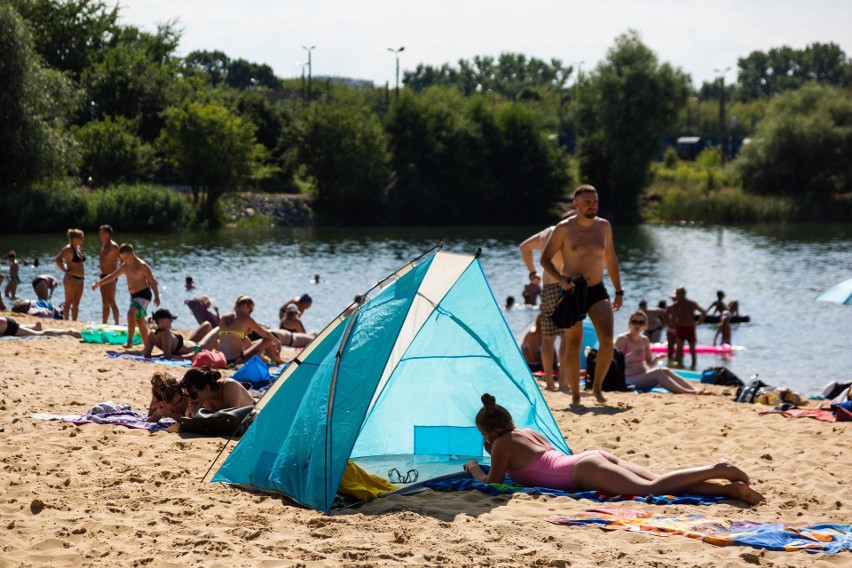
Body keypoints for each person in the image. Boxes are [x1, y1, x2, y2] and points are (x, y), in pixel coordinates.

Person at [462, 393, 763, 505]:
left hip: (581, 471)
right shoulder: (526, 431)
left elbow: (495, 482)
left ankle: (718, 468)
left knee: (652, 488)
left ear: (489, 432)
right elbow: (537, 463)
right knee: (662, 483)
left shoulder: (501, 444)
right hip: (588, 458)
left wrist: (476, 466)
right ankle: (729, 490)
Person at [540, 186, 624, 405]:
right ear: (575, 204)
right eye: (587, 202)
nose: (592, 206)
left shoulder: (604, 226)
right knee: (573, 342)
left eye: (595, 202)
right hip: (572, 289)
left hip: (597, 288)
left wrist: (618, 291)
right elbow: (545, 259)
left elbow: (611, 260)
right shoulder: (563, 228)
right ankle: (576, 394)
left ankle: (596, 388)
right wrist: (561, 280)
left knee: (607, 339)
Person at [520, 225, 568, 392]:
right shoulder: (571, 229)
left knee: (548, 338)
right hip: (563, 286)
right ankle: (563, 383)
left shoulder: (546, 232)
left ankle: (549, 383)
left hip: (547, 288)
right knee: (566, 338)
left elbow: (524, 248)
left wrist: (533, 273)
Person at [614, 311, 706, 394]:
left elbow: (649, 364)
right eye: (634, 322)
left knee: (665, 370)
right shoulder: (623, 339)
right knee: (658, 372)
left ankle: (693, 389)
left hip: (644, 376)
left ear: (645, 326)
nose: (637, 325)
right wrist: (631, 356)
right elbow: (615, 365)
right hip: (628, 378)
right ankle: (688, 392)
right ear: (630, 323)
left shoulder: (644, 340)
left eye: (641, 323)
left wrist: (657, 358)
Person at [91, 243, 160, 348]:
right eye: (122, 259)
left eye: (126, 258)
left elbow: (152, 282)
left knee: (130, 313)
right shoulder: (125, 266)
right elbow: (112, 276)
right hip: (134, 295)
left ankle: (129, 342)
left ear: (132, 253)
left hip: (144, 294)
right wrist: (98, 283)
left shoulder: (142, 265)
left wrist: (157, 296)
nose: (125, 260)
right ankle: (147, 346)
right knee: (140, 322)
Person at [212, 295, 283, 365]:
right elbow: (265, 334)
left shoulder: (223, 317)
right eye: (250, 310)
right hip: (236, 360)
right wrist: (277, 342)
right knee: (268, 340)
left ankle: (270, 361)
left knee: (256, 342)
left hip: (222, 359)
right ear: (245, 305)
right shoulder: (245, 318)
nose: (250, 313)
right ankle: (278, 361)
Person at [180, 367, 255, 417]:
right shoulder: (205, 397)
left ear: (207, 387)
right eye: (187, 396)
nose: (190, 399)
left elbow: (230, 417)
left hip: (257, 417)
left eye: (193, 395)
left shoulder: (230, 386)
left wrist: (200, 414)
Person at [143, 308, 212, 359]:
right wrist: (189, 356)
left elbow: (147, 355)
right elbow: (167, 356)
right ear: (162, 320)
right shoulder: (165, 334)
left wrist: (157, 356)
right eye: (170, 319)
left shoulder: (151, 335)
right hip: (198, 348)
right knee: (213, 327)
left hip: (191, 344)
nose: (172, 321)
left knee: (207, 325)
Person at [667, 286, 707, 370]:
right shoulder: (692, 303)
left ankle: (679, 367)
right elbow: (703, 312)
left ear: (679, 294)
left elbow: (674, 319)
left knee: (679, 350)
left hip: (681, 328)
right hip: (690, 328)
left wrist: (677, 322)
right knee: (692, 350)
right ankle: (693, 368)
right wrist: (699, 322)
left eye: (677, 293)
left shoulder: (676, 305)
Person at [54, 229, 86, 321]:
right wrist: (65, 270)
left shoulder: (78, 248)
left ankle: (74, 321)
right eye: (81, 238)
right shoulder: (68, 248)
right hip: (71, 279)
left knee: (76, 303)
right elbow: (57, 260)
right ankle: (66, 321)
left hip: (80, 279)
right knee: (68, 302)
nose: (83, 239)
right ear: (75, 238)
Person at [96, 225, 121, 325]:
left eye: (101, 232)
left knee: (111, 300)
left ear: (107, 234)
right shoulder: (104, 245)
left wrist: (117, 273)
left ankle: (117, 324)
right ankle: (104, 323)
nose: (99, 234)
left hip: (111, 276)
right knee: (105, 302)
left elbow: (123, 259)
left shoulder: (113, 246)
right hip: (103, 276)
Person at [0, 316, 81, 338]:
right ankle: (33, 326)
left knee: (39, 334)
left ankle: (68, 331)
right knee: (19, 327)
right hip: (6, 323)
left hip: (8, 327)